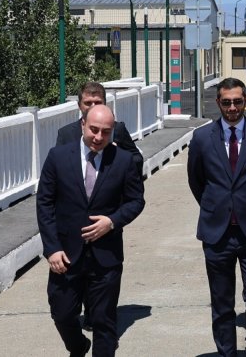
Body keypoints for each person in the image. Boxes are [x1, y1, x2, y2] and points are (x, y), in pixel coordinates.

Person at [37, 104, 146, 357]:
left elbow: (136, 201)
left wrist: (112, 221)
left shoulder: (124, 161)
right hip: (65, 256)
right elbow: (44, 202)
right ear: (83, 125)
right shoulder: (58, 157)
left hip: (105, 258)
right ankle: (79, 347)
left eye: (105, 132)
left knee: (104, 322)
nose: (98, 137)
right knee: (62, 314)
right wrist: (52, 248)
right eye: (94, 130)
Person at [187, 78, 246, 357]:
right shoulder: (202, 138)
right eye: (226, 102)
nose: (232, 107)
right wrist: (216, 206)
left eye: (237, 101)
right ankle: (227, 352)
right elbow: (196, 181)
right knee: (222, 300)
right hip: (217, 233)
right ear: (218, 103)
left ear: (245, 101)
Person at [57, 82, 142, 158]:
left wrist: (118, 156)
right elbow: (57, 164)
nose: (93, 106)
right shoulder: (66, 134)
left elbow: (137, 158)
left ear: (105, 103)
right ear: (79, 105)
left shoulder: (118, 129)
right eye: (88, 103)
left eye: (98, 102)